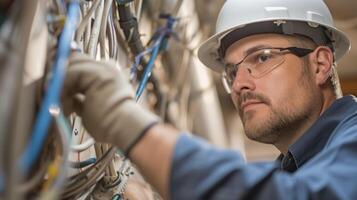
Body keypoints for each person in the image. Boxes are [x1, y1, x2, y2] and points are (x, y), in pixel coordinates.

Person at [63, 0, 357, 199]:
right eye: (232, 71)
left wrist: (126, 123)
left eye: (263, 57)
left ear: (320, 64)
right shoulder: (291, 168)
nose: (240, 83)